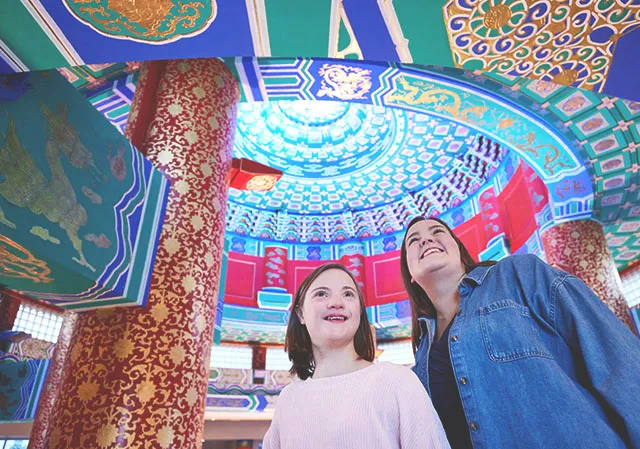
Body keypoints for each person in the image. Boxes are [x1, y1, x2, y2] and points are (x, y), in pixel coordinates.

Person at [400, 215, 640, 449]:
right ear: (410, 274)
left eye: (437, 231)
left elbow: (614, 357)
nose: (426, 240)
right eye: (414, 240)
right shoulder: (422, 355)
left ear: (459, 251)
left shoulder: (519, 274)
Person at [263, 263, 450, 449]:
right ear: (300, 313)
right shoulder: (289, 399)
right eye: (321, 294)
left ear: (359, 312)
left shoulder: (397, 381)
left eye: (348, 294)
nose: (337, 302)